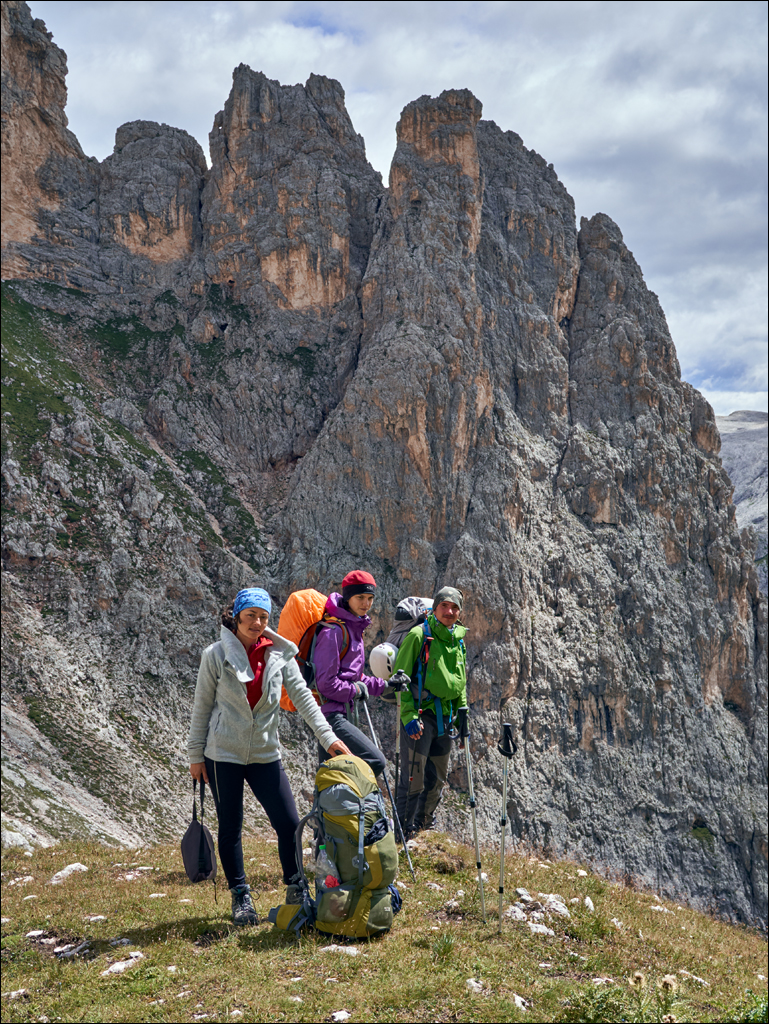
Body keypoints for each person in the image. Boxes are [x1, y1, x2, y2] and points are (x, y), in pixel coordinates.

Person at [187, 587, 351, 926]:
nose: (258, 623)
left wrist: (329, 738)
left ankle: (295, 886)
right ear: (236, 617)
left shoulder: (279, 655)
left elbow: (304, 699)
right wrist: (195, 756)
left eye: (263, 617)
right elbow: (202, 707)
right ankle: (240, 896)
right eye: (251, 616)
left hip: (265, 753)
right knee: (230, 827)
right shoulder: (215, 655)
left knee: (288, 823)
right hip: (222, 754)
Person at [392, 586, 468, 837]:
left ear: (460, 612)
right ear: (434, 608)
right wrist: (408, 716)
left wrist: (463, 714)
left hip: (445, 718)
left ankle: (423, 828)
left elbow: (460, 681)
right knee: (413, 778)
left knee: (436, 778)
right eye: (444, 605)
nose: (449, 611)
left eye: (455, 607)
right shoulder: (418, 636)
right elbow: (401, 680)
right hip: (420, 715)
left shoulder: (458, 639)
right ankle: (403, 833)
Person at [313, 570, 388, 778]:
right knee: (375, 761)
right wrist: (355, 690)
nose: (366, 603)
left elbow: (354, 678)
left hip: (341, 713)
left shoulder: (353, 629)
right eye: (360, 597)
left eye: (370, 598)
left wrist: (386, 685)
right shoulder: (334, 632)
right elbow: (326, 684)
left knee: (330, 776)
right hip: (330, 716)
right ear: (348, 597)